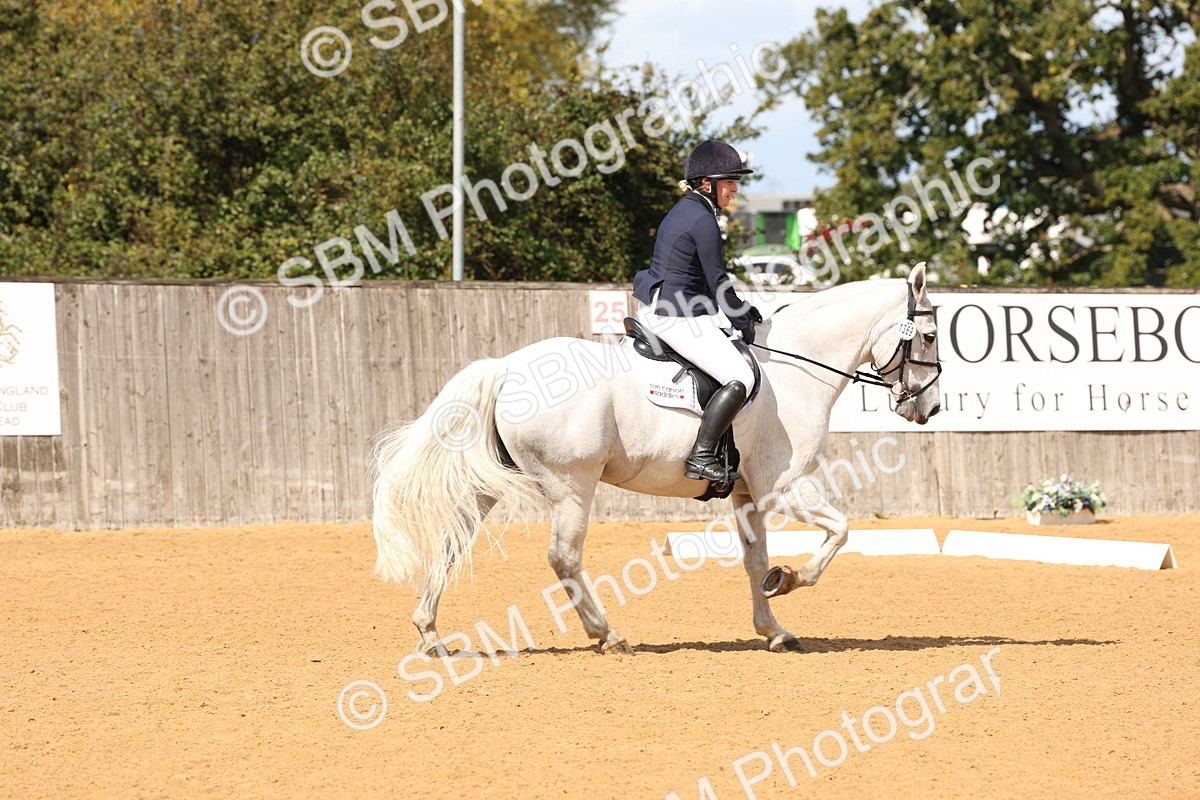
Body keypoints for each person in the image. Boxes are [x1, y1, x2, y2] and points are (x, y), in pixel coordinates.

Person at [632, 140, 762, 483]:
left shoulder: (687, 210)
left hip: (666, 304)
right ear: (707, 183)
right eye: (729, 181)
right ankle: (701, 456)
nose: (734, 189)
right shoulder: (702, 220)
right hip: (674, 315)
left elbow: (702, 281)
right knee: (742, 378)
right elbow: (717, 279)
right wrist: (741, 319)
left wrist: (741, 310)